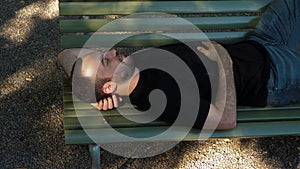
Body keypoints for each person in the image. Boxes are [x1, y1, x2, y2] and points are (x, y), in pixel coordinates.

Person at [58, 0, 300, 130]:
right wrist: (223, 59)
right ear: (109, 87)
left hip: (262, 42)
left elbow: (65, 56)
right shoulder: (159, 98)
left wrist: (90, 96)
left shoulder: (133, 66)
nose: (112, 51)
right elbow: (225, 121)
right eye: (105, 60)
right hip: (272, 77)